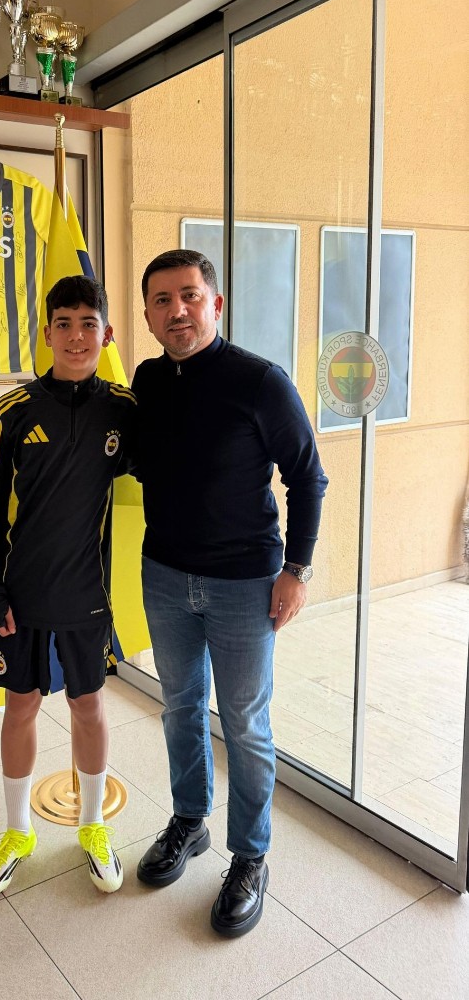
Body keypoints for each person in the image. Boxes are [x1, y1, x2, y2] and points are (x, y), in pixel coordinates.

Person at [131, 248, 328, 937]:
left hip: (246, 584)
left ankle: (250, 857)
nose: (177, 310)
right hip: (164, 575)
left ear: (215, 304)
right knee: (181, 707)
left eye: (189, 295)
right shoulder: (148, 380)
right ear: (148, 315)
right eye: (162, 299)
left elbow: (308, 477)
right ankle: (190, 821)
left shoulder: (260, 381)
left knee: (244, 722)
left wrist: (297, 570)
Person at [0, 274, 136, 899]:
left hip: (88, 596)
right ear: (46, 333)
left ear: (106, 334)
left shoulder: (122, 409)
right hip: (22, 594)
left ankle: (93, 826)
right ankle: (17, 832)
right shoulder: (12, 411)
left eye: (88, 324)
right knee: (19, 707)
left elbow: (167, 469)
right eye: (63, 324)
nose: (75, 336)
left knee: (88, 706)